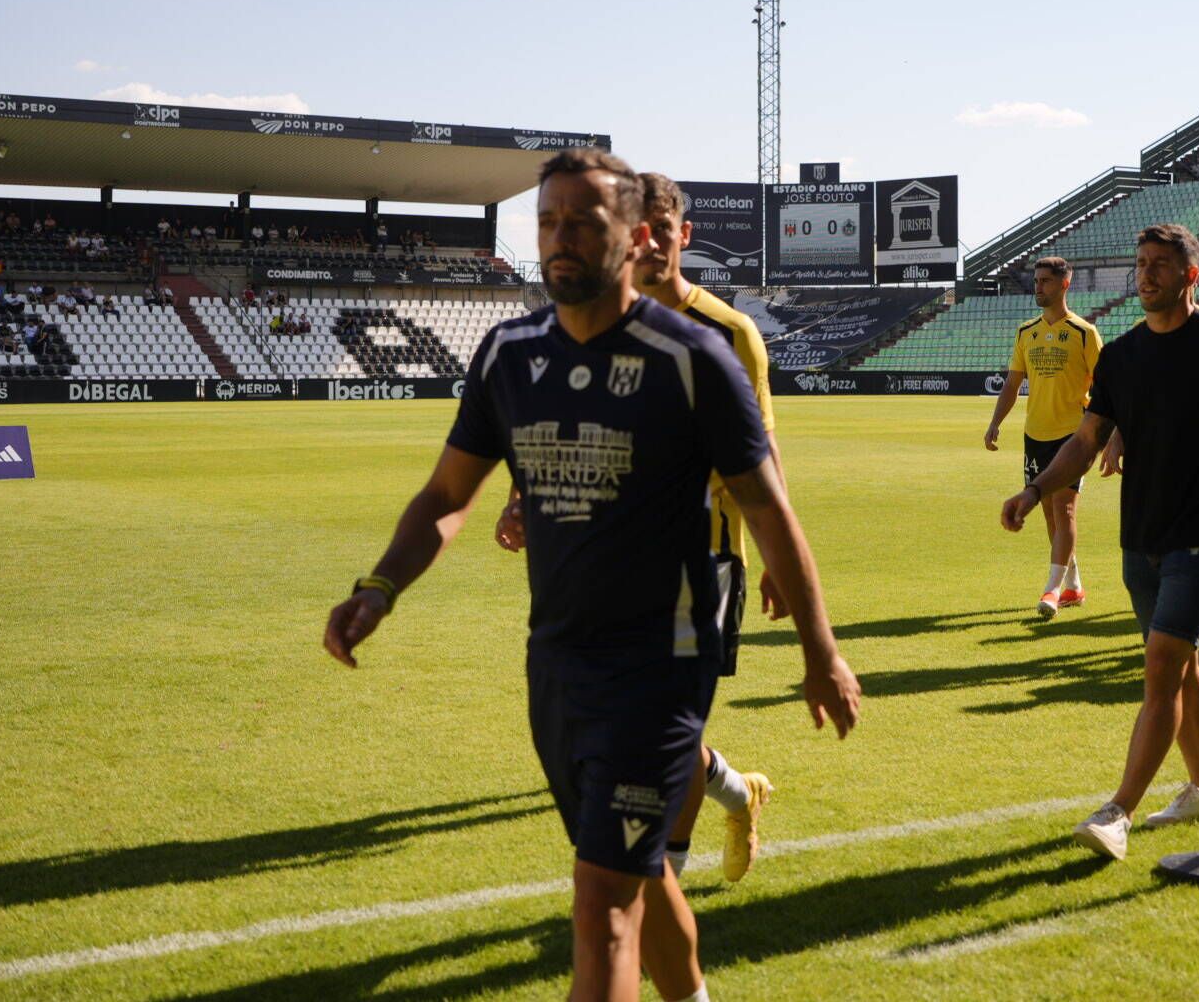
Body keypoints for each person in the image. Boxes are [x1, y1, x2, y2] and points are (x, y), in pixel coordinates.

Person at [322, 148, 860, 1002]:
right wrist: (379, 588)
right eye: (547, 221)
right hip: (558, 660)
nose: (560, 238)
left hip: (660, 660)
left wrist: (820, 652)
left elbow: (768, 507)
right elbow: (446, 496)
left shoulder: (694, 357)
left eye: (584, 220)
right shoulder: (508, 354)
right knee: (639, 880)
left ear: (637, 233)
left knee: (599, 900)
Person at [498, 171, 785, 885]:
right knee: (642, 721)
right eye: (641, 228)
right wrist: (520, 493)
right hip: (608, 553)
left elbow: (763, 452)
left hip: (707, 556)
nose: (652, 242)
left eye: (666, 229)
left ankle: (669, 874)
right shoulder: (595, 318)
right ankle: (735, 791)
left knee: (665, 726)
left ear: (684, 236)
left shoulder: (730, 332)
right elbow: (563, 423)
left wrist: (778, 556)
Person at [1001, 223, 1199, 861]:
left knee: (1160, 670)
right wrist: (1035, 491)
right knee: (1183, 671)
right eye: (1140, 262)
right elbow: (1085, 440)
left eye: (1160, 264)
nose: (1146, 274)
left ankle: (1117, 811)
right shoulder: (1122, 356)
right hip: (1140, 540)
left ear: (1191, 273)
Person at [986, 255, 1102, 618]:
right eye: (1036, 281)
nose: (1038, 287)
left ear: (1064, 284)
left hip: (1072, 437)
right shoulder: (1026, 332)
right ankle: (1073, 585)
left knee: (1064, 509)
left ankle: (1051, 590)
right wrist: (995, 422)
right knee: (1050, 515)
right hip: (1035, 435)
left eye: (1046, 281)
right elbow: (1012, 384)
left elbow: (1106, 387)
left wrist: (1107, 434)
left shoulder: (1084, 333)